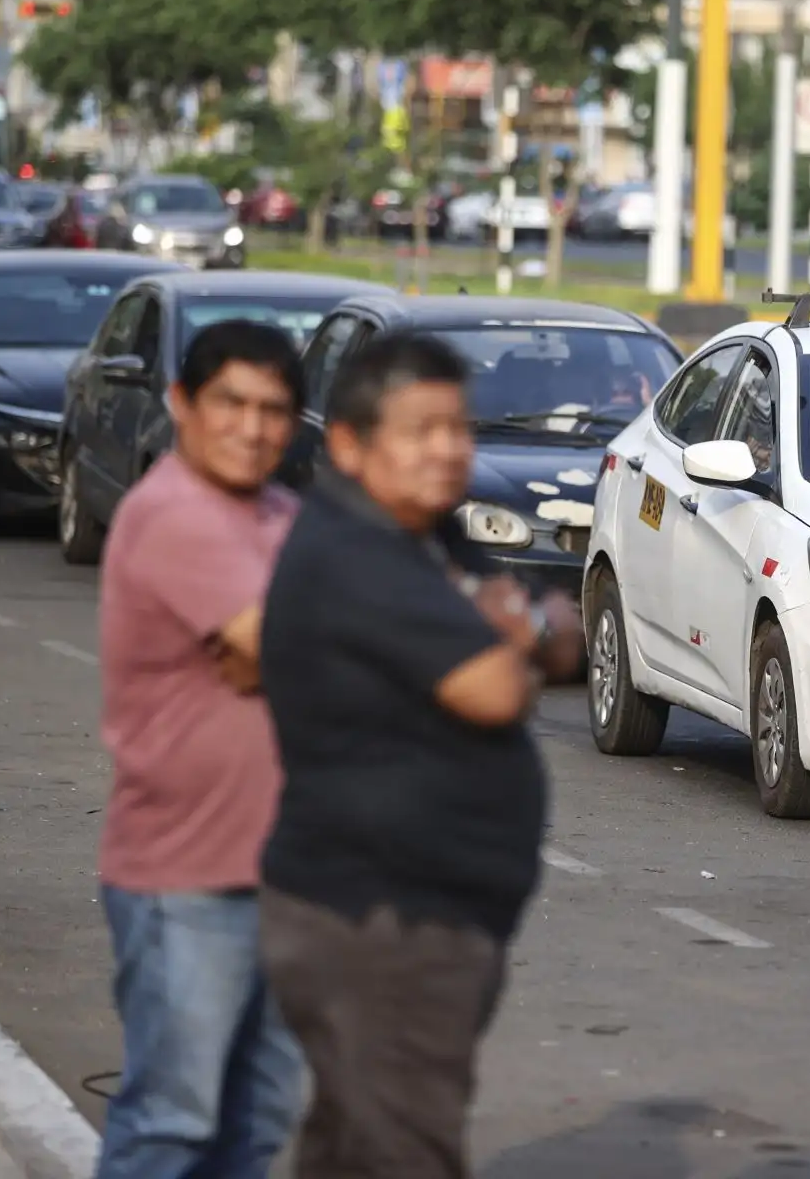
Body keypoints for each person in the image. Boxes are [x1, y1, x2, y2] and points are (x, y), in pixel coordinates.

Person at [255, 332, 583, 1178]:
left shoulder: (426, 536)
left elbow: (564, 631)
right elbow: (495, 688)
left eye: (459, 428)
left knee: (351, 1150)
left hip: (410, 912)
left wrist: (527, 625)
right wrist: (513, 627)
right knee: (407, 1151)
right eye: (422, 429)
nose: (450, 450)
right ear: (352, 444)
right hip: (381, 921)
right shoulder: (354, 552)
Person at [93, 320, 307, 1179]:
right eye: (231, 404)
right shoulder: (172, 512)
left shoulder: (286, 515)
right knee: (171, 1124)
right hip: (185, 880)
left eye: (273, 410)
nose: (251, 428)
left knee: (252, 1127)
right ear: (183, 404)